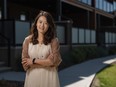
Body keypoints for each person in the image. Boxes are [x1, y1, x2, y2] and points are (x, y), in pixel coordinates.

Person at [21, 10, 62, 87]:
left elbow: (55, 62)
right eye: (40, 22)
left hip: (50, 79)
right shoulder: (27, 40)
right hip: (32, 79)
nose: (42, 25)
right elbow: (25, 65)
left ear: (49, 25)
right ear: (36, 23)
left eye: (46, 23)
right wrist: (47, 62)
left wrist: (33, 61)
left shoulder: (54, 41)